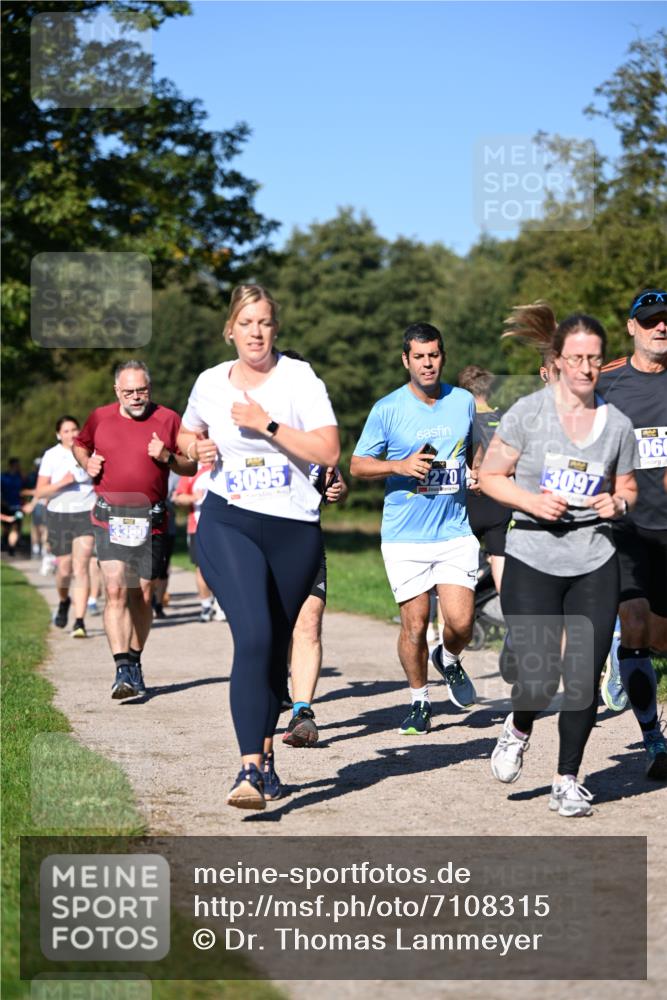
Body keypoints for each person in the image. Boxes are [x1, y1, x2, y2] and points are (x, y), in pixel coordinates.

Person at [177, 284, 340, 810]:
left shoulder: (299, 378)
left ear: (275, 328)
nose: (256, 332)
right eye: (246, 323)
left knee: (273, 653)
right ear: (231, 329)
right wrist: (192, 448)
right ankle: (248, 767)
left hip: (294, 528)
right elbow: (185, 440)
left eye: (265, 322)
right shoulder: (209, 382)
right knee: (253, 635)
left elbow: (328, 448)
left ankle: (267, 761)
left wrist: (266, 424)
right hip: (230, 521)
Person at [479, 307, 637, 817]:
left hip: (593, 558)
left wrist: (618, 504)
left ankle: (567, 779)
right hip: (533, 555)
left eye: (594, 358)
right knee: (541, 675)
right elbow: (489, 477)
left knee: (582, 674)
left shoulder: (618, 425)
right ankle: (518, 726)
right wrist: (530, 502)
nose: (587, 368)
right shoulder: (528, 413)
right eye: (577, 358)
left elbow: (628, 486)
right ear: (558, 360)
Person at [350, 322, 479, 736]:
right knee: (415, 624)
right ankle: (419, 702)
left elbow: (473, 449)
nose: (428, 364)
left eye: (435, 355)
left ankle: (450, 657)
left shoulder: (463, 402)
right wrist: (399, 466)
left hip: (454, 530)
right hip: (405, 535)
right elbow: (357, 465)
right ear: (406, 360)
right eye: (419, 357)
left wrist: (475, 472)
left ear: (443, 356)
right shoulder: (387, 408)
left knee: (461, 624)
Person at [73, 361, 195, 699]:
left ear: (149, 388)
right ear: (117, 391)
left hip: (151, 520)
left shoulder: (168, 419)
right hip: (109, 516)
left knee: (141, 594)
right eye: (128, 391)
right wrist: (87, 462)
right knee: (114, 589)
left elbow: (191, 463)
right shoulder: (100, 417)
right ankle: (122, 668)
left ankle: (136, 660)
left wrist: (168, 456)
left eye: (141, 390)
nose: (136, 397)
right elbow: (80, 444)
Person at [596, 288, 667, 779]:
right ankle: (653, 741)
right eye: (650, 321)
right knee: (636, 625)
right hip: (625, 530)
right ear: (631, 327)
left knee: (661, 637)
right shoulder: (607, 382)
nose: (660, 328)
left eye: (666, 321)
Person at [282, 464, 348, 748]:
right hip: (257, 541)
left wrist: (339, 489)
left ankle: (301, 713)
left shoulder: (314, 430)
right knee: (272, 628)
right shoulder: (257, 428)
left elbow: (337, 479)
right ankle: (275, 684)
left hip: (306, 540)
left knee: (308, 625)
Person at [34, 416, 96, 636]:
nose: (71, 434)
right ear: (59, 434)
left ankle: (79, 621)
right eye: (66, 431)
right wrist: (63, 482)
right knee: (64, 569)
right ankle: (63, 600)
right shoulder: (51, 456)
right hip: (59, 515)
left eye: (74, 430)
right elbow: (40, 491)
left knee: (81, 567)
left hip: (86, 513)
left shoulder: (90, 451)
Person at [457, 365, 510, 595]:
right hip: (498, 501)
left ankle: (439, 628)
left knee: (456, 574)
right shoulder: (506, 420)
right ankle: (513, 624)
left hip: (467, 501)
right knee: (501, 567)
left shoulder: (458, 421)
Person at [173, 462, 221, 622]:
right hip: (197, 527)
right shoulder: (191, 469)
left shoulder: (222, 462)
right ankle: (206, 604)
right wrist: (194, 497)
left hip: (223, 528)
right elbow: (178, 497)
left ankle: (221, 604)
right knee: (201, 568)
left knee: (224, 567)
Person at [1, 457, 25, 556]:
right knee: (6, 528)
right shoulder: (2, 477)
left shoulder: (20, 477)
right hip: (5, 505)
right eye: (16, 465)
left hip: (17, 506)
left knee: (15, 528)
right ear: (11, 465)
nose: (17, 467)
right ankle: (5, 541)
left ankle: (11, 547)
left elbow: (24, 490)